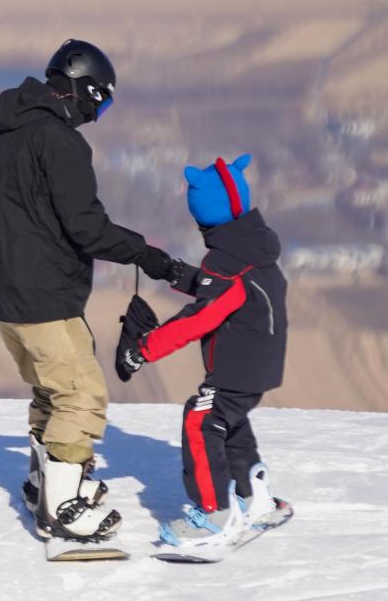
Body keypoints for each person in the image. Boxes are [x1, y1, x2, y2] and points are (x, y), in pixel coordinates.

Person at [0, 39, 179, 540]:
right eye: (102, 102)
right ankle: (61, 507)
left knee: (52, 387)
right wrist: (149, 256)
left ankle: (43, 482)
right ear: (84, 90)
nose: (98, 114)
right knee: (80, 396)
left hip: (6, 289)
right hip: (40, 291)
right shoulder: (59, 141)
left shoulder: (2, 130)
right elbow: (87, 227)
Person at [119, 154, 289, 545]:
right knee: (228, 421)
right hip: (257, 364)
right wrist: (181, 275)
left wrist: (143, 349)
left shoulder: (226, 262)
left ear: (204, 218)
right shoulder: (253, 250)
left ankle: (214, 516)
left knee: (200, 419)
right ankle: (255, 498)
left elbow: (201, 317)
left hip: (237, 367)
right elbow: (231, 293)